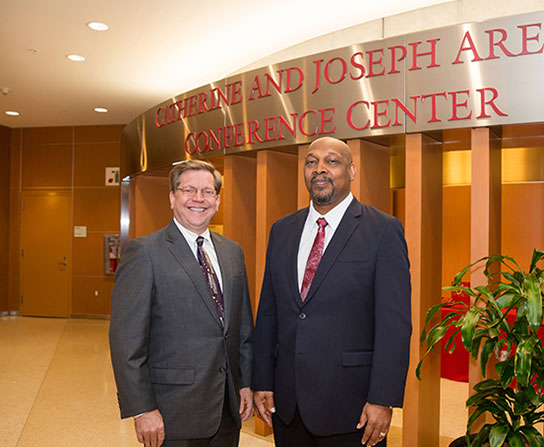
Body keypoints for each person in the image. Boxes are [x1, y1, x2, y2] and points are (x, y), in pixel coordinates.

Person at [252, 136, 411, 447]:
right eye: (311, 162)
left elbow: (394, 325)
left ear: (351, 171)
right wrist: (262, 379)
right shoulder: (282, 229)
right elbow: (269, 310)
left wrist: (383, 399)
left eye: (332, 161)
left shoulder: (382, 230)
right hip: (288, 405)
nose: (319, 169)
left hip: (352, 407)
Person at [109, 160, 254, 447]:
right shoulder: (145, 252)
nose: (198, 198)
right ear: (172, 198)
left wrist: (245, 383)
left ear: (217, 200)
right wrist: (142, 408)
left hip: (227, 407)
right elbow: (126, 341)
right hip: (172, 412)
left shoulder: (232, 252)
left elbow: (243, 327)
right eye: (189, 190)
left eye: (207, 191)